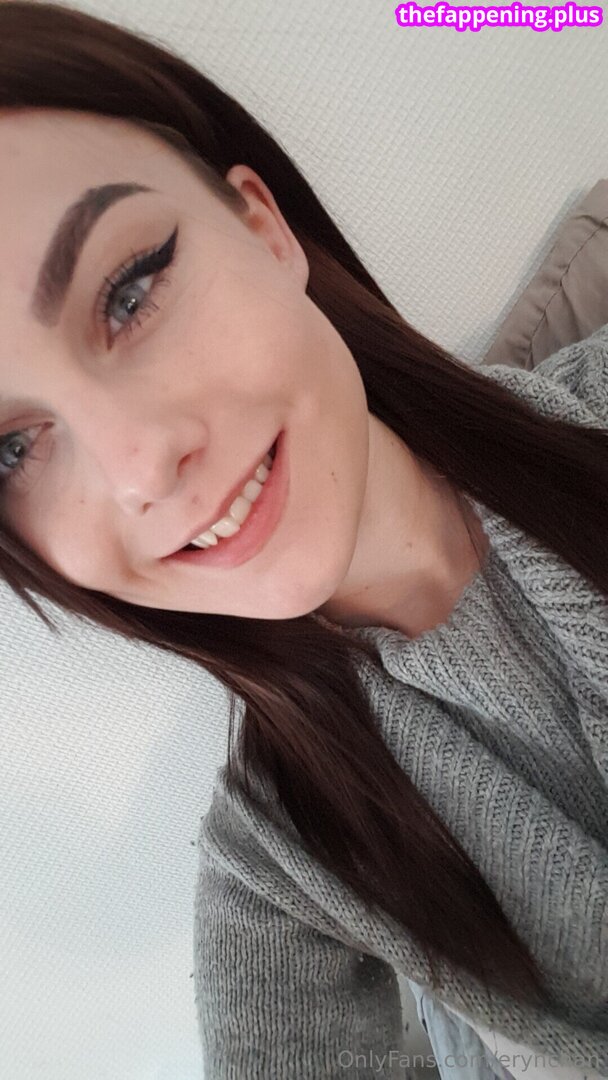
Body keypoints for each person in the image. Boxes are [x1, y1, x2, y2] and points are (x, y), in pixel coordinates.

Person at [0, 4, 606, 1078]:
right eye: (7, 450)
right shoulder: (280, 866)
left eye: (130, 291)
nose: (143, 467)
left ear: (264, 229)